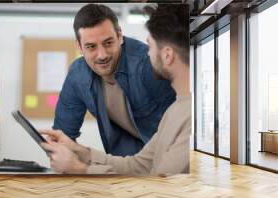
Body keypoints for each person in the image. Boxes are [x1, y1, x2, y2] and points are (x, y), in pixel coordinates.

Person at [40, 4, 190, 175]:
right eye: (91, 46)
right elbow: (138, 164)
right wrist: (73, 150)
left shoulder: (147, 66)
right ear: (79, 46)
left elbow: (162, 178)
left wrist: (81, 169)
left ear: (120, 36)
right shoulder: (78, 75)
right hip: (129, 164)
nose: (102, 55)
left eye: (108, 42)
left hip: (157, 164)